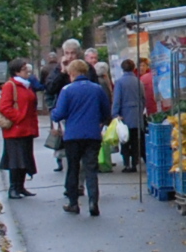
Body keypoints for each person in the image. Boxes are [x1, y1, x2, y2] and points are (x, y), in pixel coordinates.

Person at [55, 57, 110, 215]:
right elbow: (106, 111)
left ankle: (73, 203)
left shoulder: (67, 90)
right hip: (92, 134)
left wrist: (54, 114)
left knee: (73, 168)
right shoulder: (97, 89)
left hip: (72, 135)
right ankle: (93, 203)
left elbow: (59, 114)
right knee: (91, 169)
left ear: (72, 73)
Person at [0, 60, 39, 198]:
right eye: (24, 69)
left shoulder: (27, 85)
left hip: (27, 129)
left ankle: (21, 187)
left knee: (25, 158)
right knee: (16, 160)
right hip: (15, 130)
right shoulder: (10, 85)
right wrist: (19, 117)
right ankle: (13, 188)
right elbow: (4, 106)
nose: (27, 71)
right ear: (16, 71)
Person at [113, 58, 148, 172]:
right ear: (134, 68)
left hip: (124, 116)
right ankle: (134, 163)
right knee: (135, 141)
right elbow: (143, 99)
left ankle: (126, 163)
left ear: (122, 69)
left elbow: (117, 99)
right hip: (137, 115)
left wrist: (115, 113)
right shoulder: (139, 81)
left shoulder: (119, 82)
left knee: (124, 140)